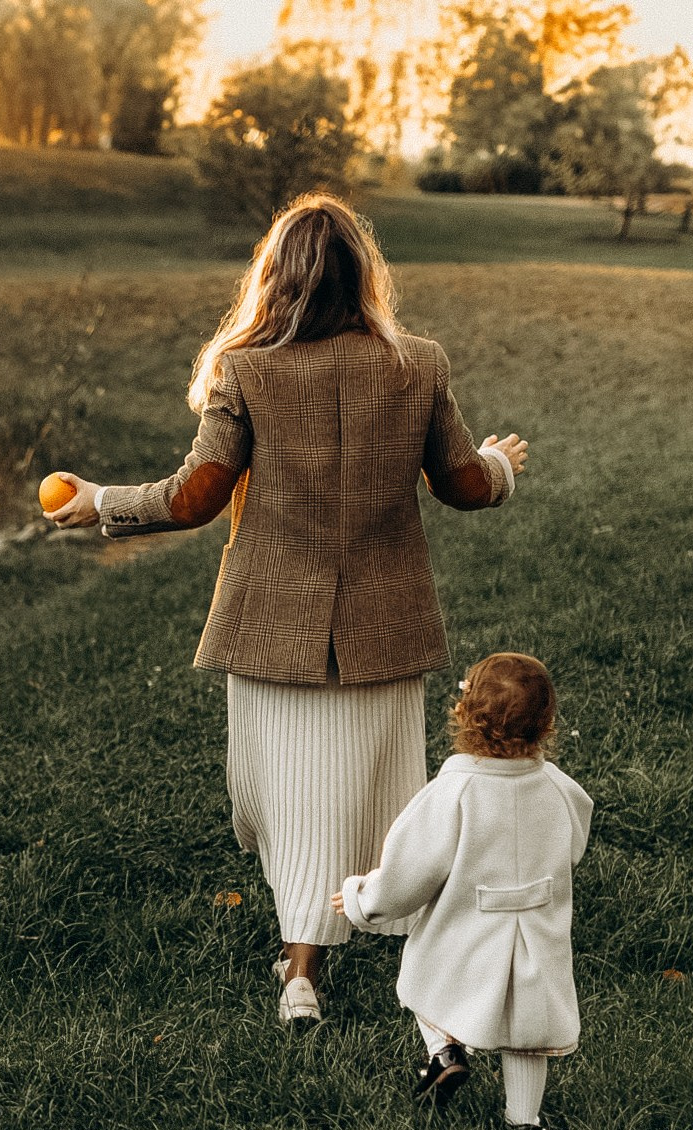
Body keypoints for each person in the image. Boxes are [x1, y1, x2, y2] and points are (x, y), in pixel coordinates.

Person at [44, 193, 529, 1026]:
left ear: (275, 279)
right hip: (385, 626)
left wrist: (99, 501)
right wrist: (498, 465)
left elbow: (194, 498)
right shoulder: (417, 363)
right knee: (368, 795)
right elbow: (459, 485)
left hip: (273, 625)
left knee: (286, 798)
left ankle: (300, 969)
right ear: (362, 274)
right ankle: (381, 938)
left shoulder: (248, 371)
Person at [332, 653, 592, 1130]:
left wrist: (362, 898)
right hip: (537, 929)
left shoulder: (453, 793)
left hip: (467, 928)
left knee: (426, 982)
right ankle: (525, 1123)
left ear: (463, 713)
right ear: (547, 723)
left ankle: (446, 1053)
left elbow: (409, 873)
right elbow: (573, 844)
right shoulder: (559, 789)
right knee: (527, 1030)